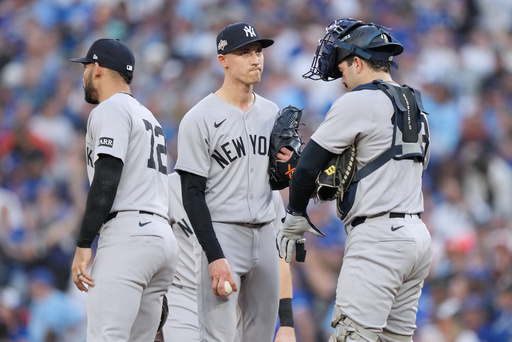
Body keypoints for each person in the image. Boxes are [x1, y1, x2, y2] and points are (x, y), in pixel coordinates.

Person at [277, 18, 433, 342]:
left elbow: (306, 168)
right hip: (416, 238)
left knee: (351, 338)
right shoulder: (416, 108)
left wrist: (294, 213)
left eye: (343, 69)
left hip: (378, 238)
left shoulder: (359, 100)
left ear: (358, 62)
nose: (343, 79)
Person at [174, 22, 293, 342]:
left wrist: (290, 168)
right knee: (219, 337)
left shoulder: (272, 112)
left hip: (266, 232)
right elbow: (192, 194)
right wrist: (214, 256)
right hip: (223, 233)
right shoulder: (199, 117)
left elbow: (281, 180)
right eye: (245, 53)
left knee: (260, 336)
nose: (256, 59)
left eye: (258, 51)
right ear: (223, 60)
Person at [69, 38, 179, 341]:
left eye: (86, 67)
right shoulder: (150, 118)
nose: (83, 75)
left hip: (129, 236)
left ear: (99, 68)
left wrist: (83, 244)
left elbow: (106, 179)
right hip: (161, 239)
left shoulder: (111, 108)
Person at [162, 172, 296, 342]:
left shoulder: (264, 187)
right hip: (184, 301)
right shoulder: (170, 186)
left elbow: (278, 257)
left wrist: (286, 324)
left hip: (235, 305)